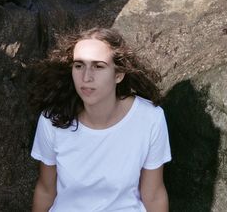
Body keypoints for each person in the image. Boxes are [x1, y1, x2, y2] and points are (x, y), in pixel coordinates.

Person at [29, 27, 171, 212]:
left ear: (118, 75)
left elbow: (153, 195)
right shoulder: (52, 120)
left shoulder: (150, 118)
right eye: (79, 65)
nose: (86, 77)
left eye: (98, 66)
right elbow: (46, 191)